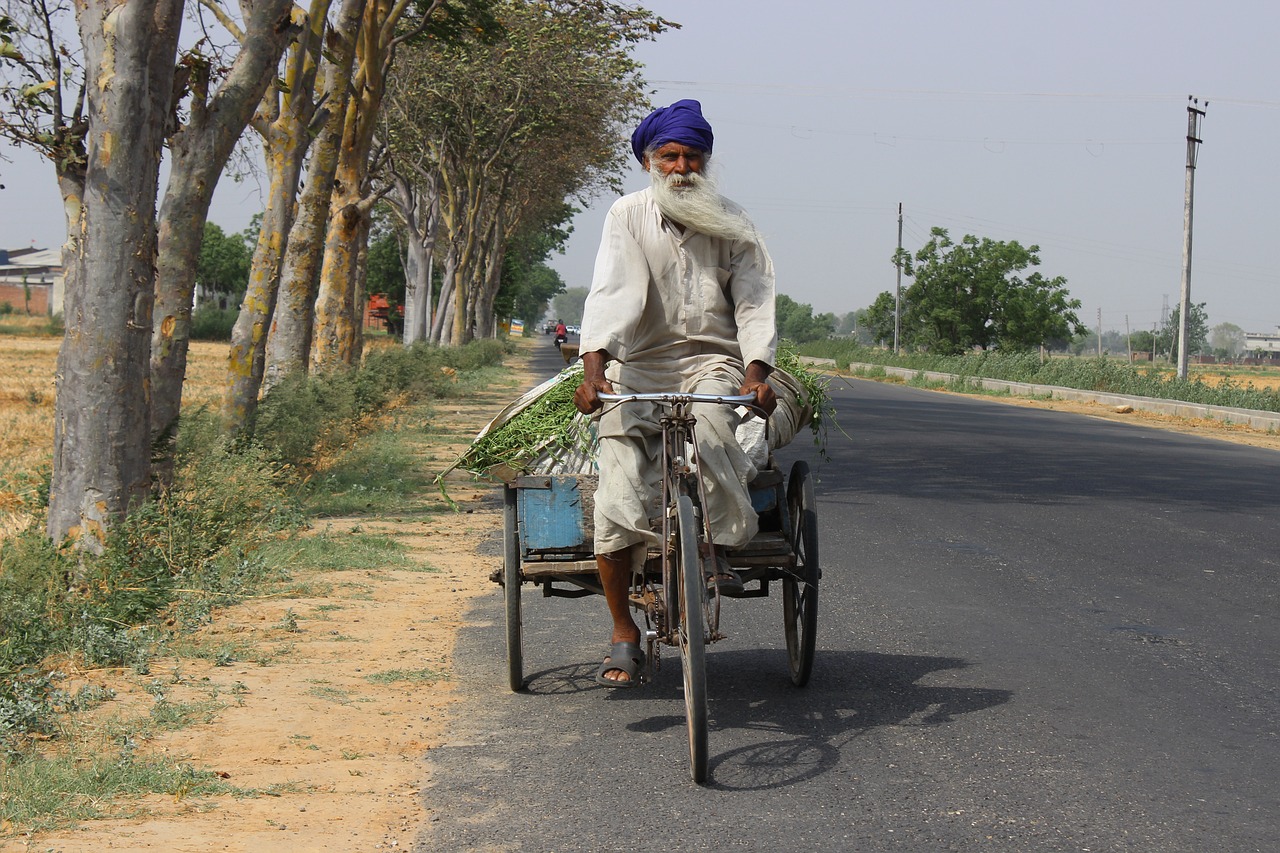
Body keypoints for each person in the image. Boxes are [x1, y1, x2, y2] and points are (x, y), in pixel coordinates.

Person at [573, 99, 778, 687]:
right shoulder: (627, 215)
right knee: (618, 496)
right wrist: (596, 371)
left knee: (717, 432)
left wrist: (755, 376)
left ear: (705, 162)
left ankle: (712, 550)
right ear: (648, 160)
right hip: (639, 366)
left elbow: (755, 300)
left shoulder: (735, 221)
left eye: (692, 156)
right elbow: (614, 293)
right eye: (670, 156)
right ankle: (621, 631)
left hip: (711, 363)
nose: (681, 167)